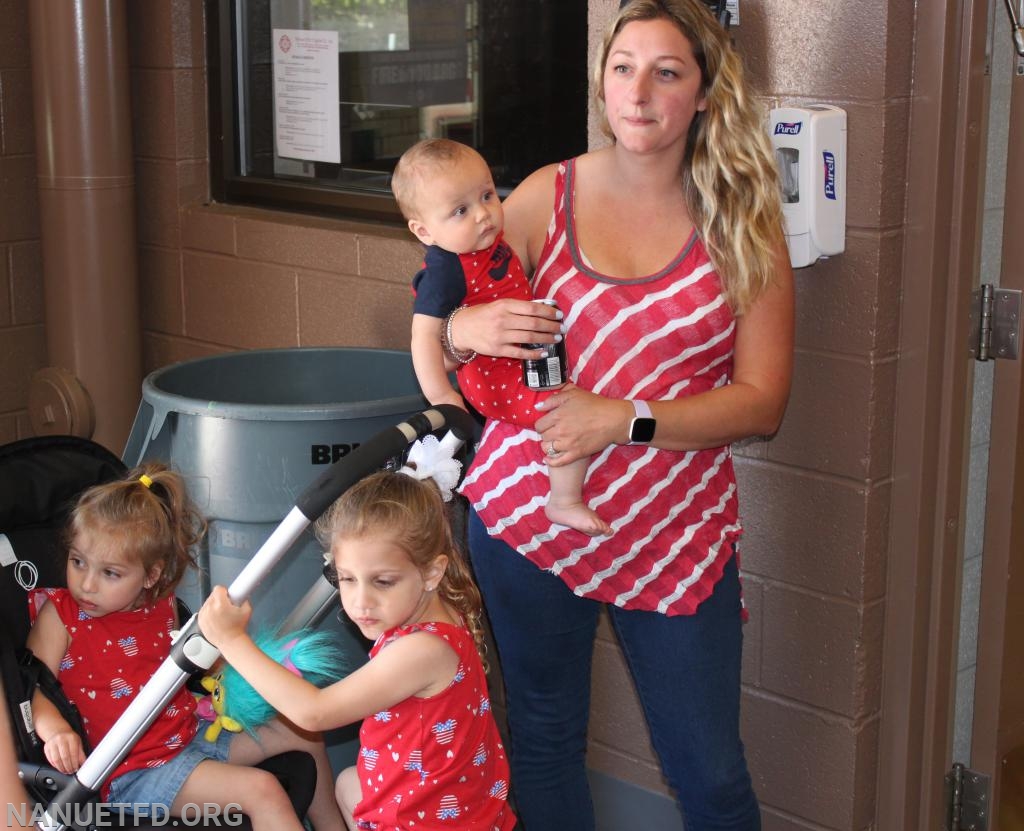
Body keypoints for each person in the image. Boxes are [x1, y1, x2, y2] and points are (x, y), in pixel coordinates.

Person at [445, 1, 795, 829]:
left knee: (709, 774)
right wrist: (465, 330)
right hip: (527, 519)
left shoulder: (746, 224)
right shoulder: (543, 196)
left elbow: (764, 402)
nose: (639, 92)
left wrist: (624, 418)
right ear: (602, 83)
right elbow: (441, 310)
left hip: (676, 533)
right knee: (542, 739)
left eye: (667, 72)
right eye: (623, 68)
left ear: (705, 94)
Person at [198, 436, 516, 831]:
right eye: (346, 579)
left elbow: (315, 713)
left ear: (432, 572)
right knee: (349, 784)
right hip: (441, 800)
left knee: (352, 785)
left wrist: (233, 641)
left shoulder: (422, 650)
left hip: (429, 822)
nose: (361, 602)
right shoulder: (434, 611)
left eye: (382, 582)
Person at [26, 463, 346, 831]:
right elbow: (32, 684)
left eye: (109, 573)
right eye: (77, 562)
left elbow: (191, 668)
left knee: (303, 733)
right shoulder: (60, 614)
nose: (86, 584)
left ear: (151, 575)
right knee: (263, 791)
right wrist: (54, 730)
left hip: (189, 733)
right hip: (131, 771)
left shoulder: (161, 606)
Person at [394, 138, 611, 537]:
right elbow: (422, 337)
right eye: (461, 210)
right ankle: (564, 501)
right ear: (424, 230)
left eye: (487, 195)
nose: (483, 215)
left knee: (570, 405)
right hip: (493, 377)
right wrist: (441, 396)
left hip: (520, 359)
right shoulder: (446, 270)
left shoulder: (487, 244)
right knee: (566, 417)